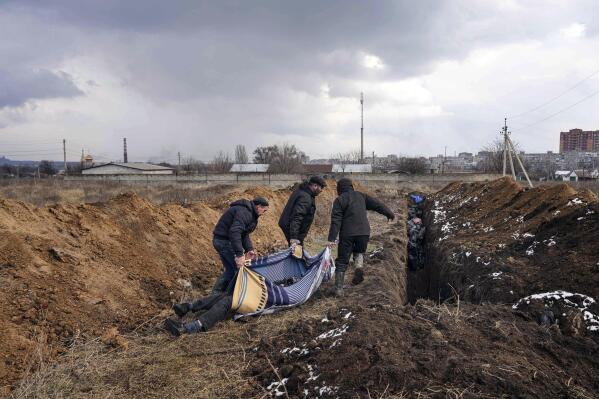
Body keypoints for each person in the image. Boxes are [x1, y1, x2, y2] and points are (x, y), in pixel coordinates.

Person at [327, 178, 394, 296]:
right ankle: (358, 267)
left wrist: (332, 239)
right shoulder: (361, 196)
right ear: (351, 187)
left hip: (348, 233)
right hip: (364, 232)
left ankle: (338, 289)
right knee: (359, 252)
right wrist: (388, 213)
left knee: (342, 260)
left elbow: (336, 221)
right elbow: (377, 205)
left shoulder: (339, 200)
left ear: (339, 189)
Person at [210, 196, 269, 293]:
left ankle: (217, 294)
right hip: (224, 242)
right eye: (264, 210)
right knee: (238, 270)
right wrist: (239, 254)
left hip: (220, 240)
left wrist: (249, 249)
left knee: (230, 270)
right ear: (258, 206)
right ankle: (230, 296)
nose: (264, 213)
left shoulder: (250, 213)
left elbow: (244, 234)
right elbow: (235, 232)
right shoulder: (245, 212)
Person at [278, 176, 327, 248]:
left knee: (297, 251)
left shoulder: (303, 192)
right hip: (293, 230)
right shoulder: (305, 197)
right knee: (297, 252)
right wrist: (294, 238)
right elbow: (297, 217)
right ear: (315, 186)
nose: (321, 190)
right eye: (321, 187)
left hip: (292, 228)